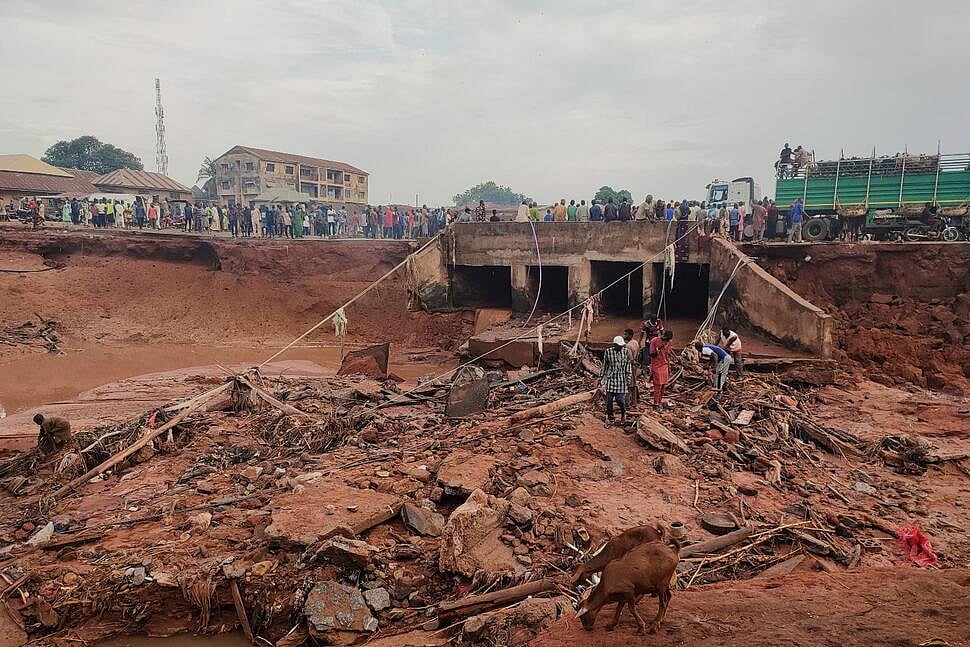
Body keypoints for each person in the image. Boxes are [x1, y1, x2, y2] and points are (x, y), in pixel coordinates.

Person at [599, 335, 633, 426]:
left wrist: (628, 378)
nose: (621, 347)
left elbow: (628, 366)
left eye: (621, 345)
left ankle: (623, 413)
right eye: (619, 345)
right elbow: (605, 365)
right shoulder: (608, 352)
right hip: (611, 379)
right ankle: (611, 418)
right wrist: (601, 377)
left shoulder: (625, 352)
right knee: (609, 400)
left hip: (621, 380)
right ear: (614, 345)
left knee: (619, 400)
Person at [649, 330, 674, 410]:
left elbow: (668, 355)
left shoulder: (669, 343)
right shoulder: (654, 341)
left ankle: (659, 402)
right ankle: (655, 404)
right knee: (658, 386)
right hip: (656, 366)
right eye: (665, 339)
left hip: (665, 365)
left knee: (663, 386)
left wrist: (669, 367)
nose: (666, 341)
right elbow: (652, 354)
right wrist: (660, 347)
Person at [623, 328, 641, 407]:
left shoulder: (628, 346)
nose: (624, 336)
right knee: (633, 384)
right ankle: (634, 401)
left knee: (627, 385)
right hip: (634, 366)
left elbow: (629, 359)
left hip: (629, 366)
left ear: (630, 335)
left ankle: (627, 402)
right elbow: (638, 354)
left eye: (626, 334)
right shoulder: (635, 342)